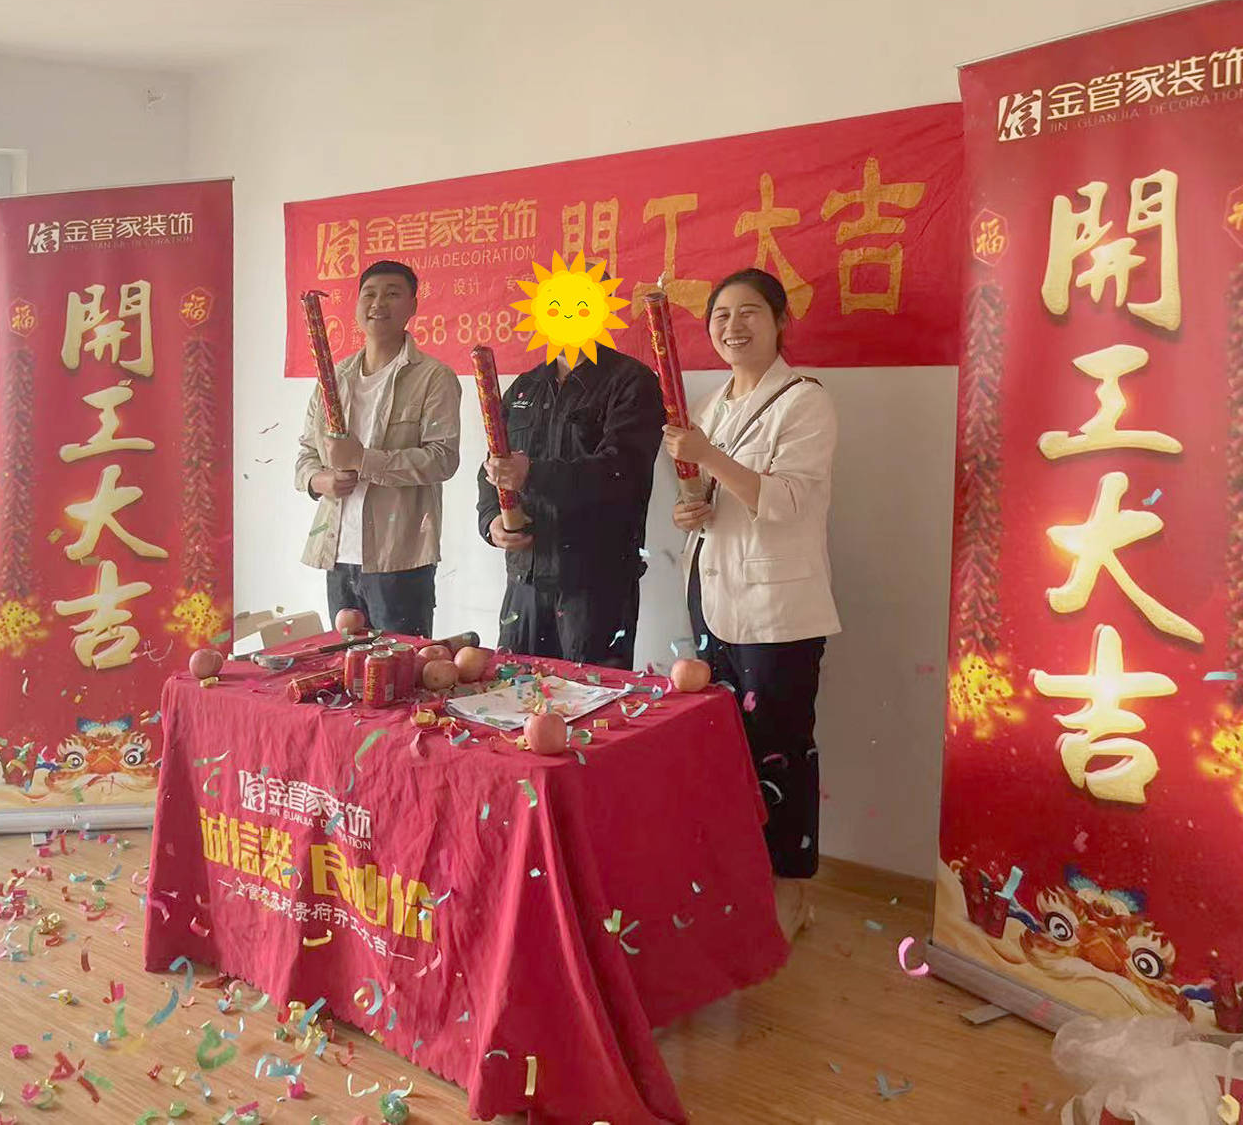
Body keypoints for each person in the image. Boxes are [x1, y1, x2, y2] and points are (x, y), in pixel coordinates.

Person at [661, 268, 840, 939]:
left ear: (779, 320)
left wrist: (707, 456)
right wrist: (692, 509)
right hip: (712, 599)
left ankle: (791, 893)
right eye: (721, 316)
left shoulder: (805, 401)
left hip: (777, 613)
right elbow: (715, 503)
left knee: (779, 752)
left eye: (748, 313)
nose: (732, 327)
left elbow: (786, 500)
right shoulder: (712, 405)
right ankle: (739, 880)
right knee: (724, 748)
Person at [295, 259, 462, 636]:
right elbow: (306, 455)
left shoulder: (433, 378)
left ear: (413, 306)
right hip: (337, 553)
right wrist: (320, 481)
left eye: (392, 294)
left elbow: (442, 459)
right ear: (356, 305)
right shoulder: (333, 378)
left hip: (400, 557)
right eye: (369, 294)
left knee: (402, 667)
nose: (378, 303)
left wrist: (362, 460)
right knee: (347, 664)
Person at [477, 343, 663, 667]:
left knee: (591, 695)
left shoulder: (631, 381)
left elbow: (622, 472)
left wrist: (532, 474)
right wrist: (491, 519)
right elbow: (493, 465)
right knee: (514, 689)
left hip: (596, 585)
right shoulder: (526, 386)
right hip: (525, 581)